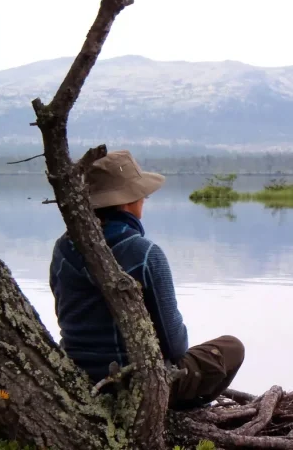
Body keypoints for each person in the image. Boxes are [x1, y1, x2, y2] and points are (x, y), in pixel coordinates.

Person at [48, 149, 244, 409]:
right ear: (130, 202)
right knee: (232, 348)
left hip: (78, 377)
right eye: (143, 196)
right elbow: (176, 346)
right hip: (134, 384)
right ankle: (177, 410)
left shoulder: (62, 248)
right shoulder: (144, 253)